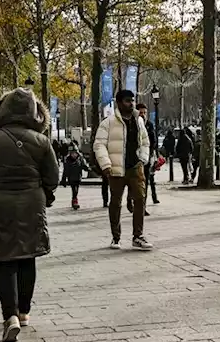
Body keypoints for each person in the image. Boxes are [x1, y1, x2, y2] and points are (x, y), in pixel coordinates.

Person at [0, 89, 58, 342]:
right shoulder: (41, 140)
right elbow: (53, 176)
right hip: (31, 202)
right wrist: (46, 196)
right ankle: (25, 312)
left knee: (3, 259)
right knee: (28, 256)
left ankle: (10, 316)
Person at [93, 89, 153, 250]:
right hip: (116, 169)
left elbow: (145, 142)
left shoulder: (138, 121)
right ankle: (116, 237)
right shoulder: (108, 122)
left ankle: (138, 236)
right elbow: (99, 144)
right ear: (119, 103)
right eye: (127, 100)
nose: (131, 103)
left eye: (132, 100)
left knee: (140, 200)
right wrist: (105, 164)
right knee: (116, 202)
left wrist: (143, 159)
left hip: (135, 167)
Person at [138, 103, 159, 207]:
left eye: (144, 113)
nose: (143, 115)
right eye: (140, 113)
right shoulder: (132, 124)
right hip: (135, 158)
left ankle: (143, 206)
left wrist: (151, 154)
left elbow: (154, 141)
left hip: (146, 158)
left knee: (145, 182)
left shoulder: (149, 125)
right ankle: (131, 200)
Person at [62, 143, 87, 210]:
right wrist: (63, 179)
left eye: (75, 153)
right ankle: (75, 202)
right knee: (74, 190)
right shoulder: (68, 160)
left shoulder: (80, 159)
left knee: (76, 190)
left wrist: (88, 168)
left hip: (78, 177)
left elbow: (84, 166)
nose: (74, 155)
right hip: (71, 178)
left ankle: (74, 201)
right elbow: (65, 170)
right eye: (72, 153)